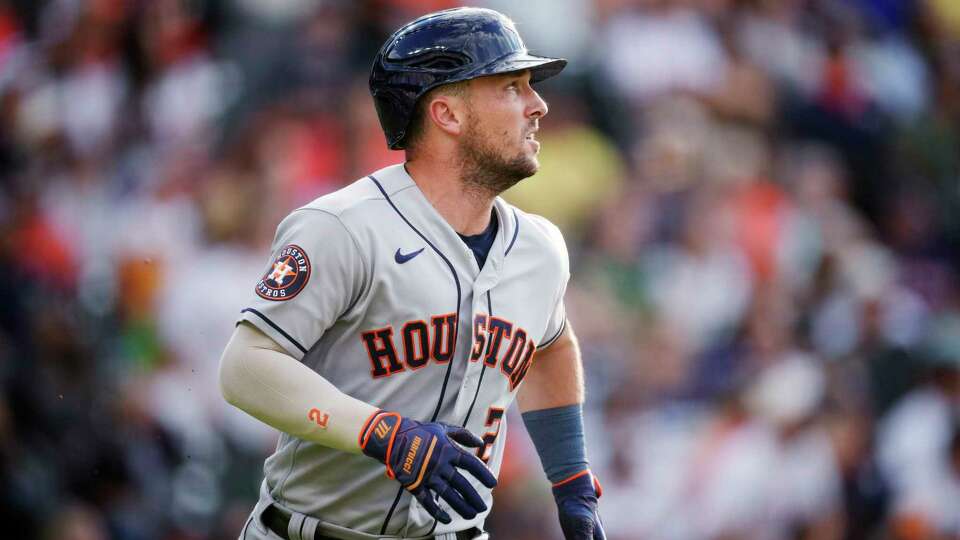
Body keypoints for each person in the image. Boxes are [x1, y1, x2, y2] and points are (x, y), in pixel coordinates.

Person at [219, 7, 604, 540]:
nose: (538, 105)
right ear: (447, 114)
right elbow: (245, 368)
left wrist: (571, 479)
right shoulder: (343, 227)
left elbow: (549, 346)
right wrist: (382, 434)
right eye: (513, 87)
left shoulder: (539, 248)